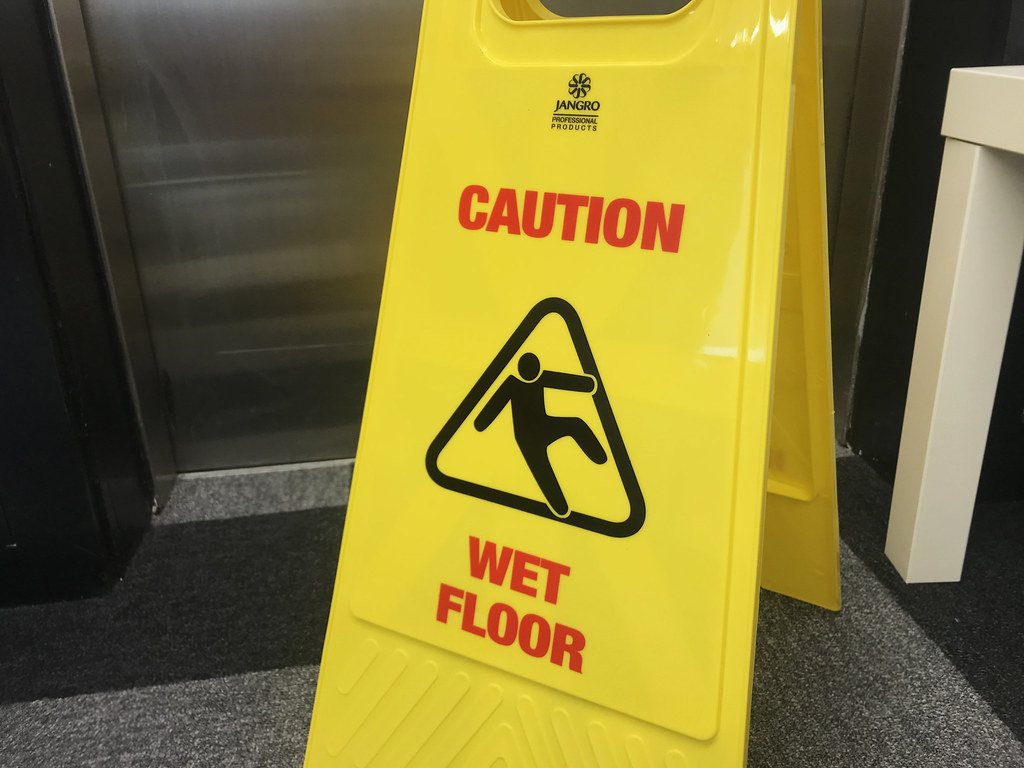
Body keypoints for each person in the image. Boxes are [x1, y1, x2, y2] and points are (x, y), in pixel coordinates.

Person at [474, 352, 607, 518]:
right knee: (543, 472)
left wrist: (588, 384)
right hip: (526, 437)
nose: (532, 373)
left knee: (575, 424)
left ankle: (601, 459)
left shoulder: (540, 378)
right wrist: (480, 424)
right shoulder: (511, 384)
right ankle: (560, 507)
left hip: (545, 425)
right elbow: (489, 411)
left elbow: (571, 382)